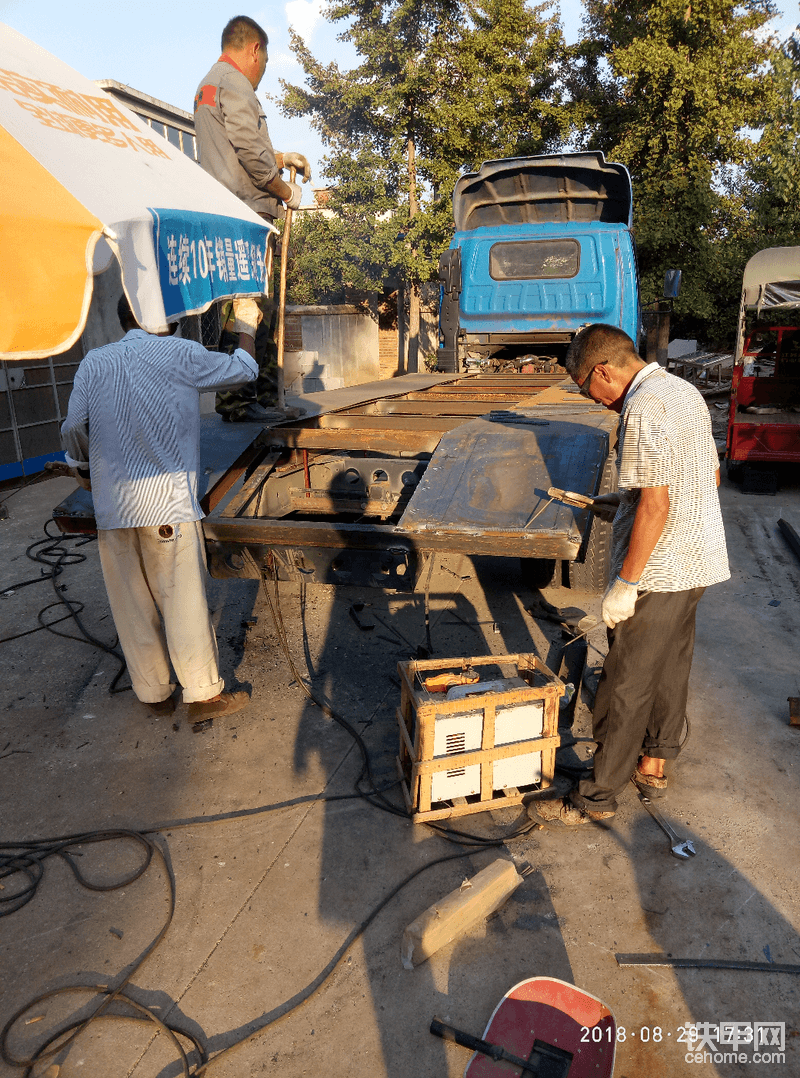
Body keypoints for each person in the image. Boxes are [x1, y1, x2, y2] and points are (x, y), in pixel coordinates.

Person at [532, 323, 730, 826]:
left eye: (586, 389)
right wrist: (619, 505)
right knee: (668, 664)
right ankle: (655, 760)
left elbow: (657, 505)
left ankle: (597, 796)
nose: (593, 401)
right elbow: (705, 475)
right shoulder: (681, 389)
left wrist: (625, 582)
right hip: (698, 560)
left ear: (603, 371)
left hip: (661, 569)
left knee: (626, 680)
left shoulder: (641, 407)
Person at [61, 295, 260, 723]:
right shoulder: (182, 353)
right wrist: (246, 324)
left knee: (132, 605)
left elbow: (74, 426)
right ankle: (203, 697)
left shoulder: (95, 361)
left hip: (113, 508)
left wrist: (81, 467)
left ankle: (153, 695)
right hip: (167, 506)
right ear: (161, 319)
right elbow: (245, 371)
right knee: (181, 602)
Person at [194, 14, 311, 422]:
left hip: (228, 209)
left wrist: (283, 157)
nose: (261, 74)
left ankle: (252, 397)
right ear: (254, 50)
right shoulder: (237, 83)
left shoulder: (210, 85)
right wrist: (285, 190)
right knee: (250, 308)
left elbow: (235, 148)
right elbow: (251, 154)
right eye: (263, 63)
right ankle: (239, 402)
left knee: (249, 306)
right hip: (248, 212)